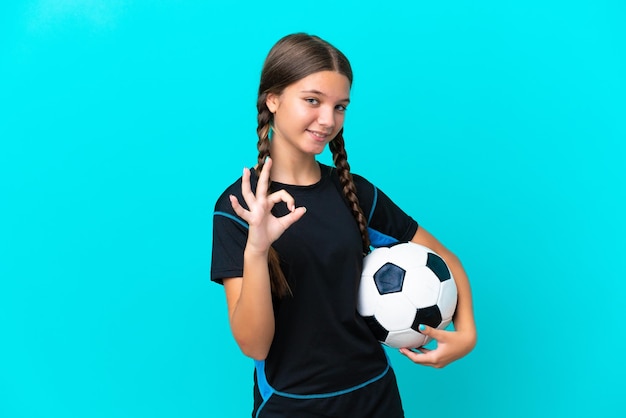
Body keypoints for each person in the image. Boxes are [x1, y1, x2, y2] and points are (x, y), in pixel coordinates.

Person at [211, 33, 477, 418]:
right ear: (273, 99)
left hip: (375, 399)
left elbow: (443, 258)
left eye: (340, 107)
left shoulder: (357, 193)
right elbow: (255, 346)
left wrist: (466, 334)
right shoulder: (239, 207)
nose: (328, 120)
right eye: (312, 101)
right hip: (291, 407)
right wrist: (257, 249)